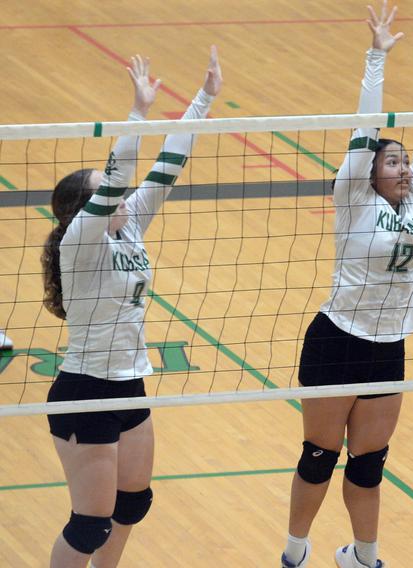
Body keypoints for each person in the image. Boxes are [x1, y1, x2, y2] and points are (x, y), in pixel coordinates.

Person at [281, 3, 413, 568]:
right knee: (318, 457)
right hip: (338, 338)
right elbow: (365, 129)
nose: (404, 166)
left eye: (405, 160)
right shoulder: (352, 197)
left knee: (368, 465)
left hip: (389, 344)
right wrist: (377, 56)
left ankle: (363, 557)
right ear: (370, 169)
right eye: (392, 160)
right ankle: (294, 554)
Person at [41, 48, 221, 568]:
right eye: (108, 193)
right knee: (90, 522)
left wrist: (203, 98)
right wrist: (136, 115)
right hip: (85, 390)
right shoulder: (80, 242)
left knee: (131, 505)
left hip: (128, 381)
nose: (123, 197)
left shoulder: (129, 224)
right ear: (85, 211)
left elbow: (168, 166)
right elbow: (119, 177)